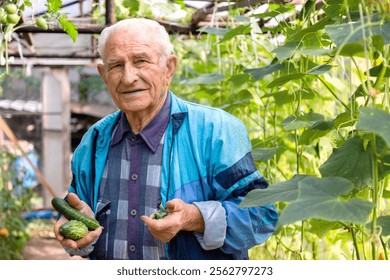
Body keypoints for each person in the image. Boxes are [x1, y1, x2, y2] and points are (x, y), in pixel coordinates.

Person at [53, 18, 278, 260]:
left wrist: (194, 217)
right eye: (116, 65)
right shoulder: (93, 141)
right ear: (104, 74)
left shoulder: (215, 131)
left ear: (168, 68)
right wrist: (77, 232)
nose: (128, 77)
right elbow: (76, 217)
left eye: (141, 61)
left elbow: (261, 216)